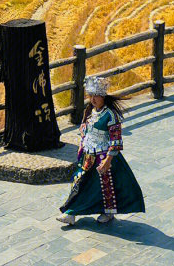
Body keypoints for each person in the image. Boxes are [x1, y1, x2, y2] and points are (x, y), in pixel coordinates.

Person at [57, 77, 144, 226]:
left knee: (103, 188)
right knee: (79, 183)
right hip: (88, 156)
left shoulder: (110, 115)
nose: (92, 99)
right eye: (90, 96)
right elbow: (85, 128)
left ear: (103, 96)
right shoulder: (90, 111)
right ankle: (71, 213)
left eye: (95, 96)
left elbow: (115, 141)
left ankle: (107, 213)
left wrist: (107, 161)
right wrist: (82, 144)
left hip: (103, 157)